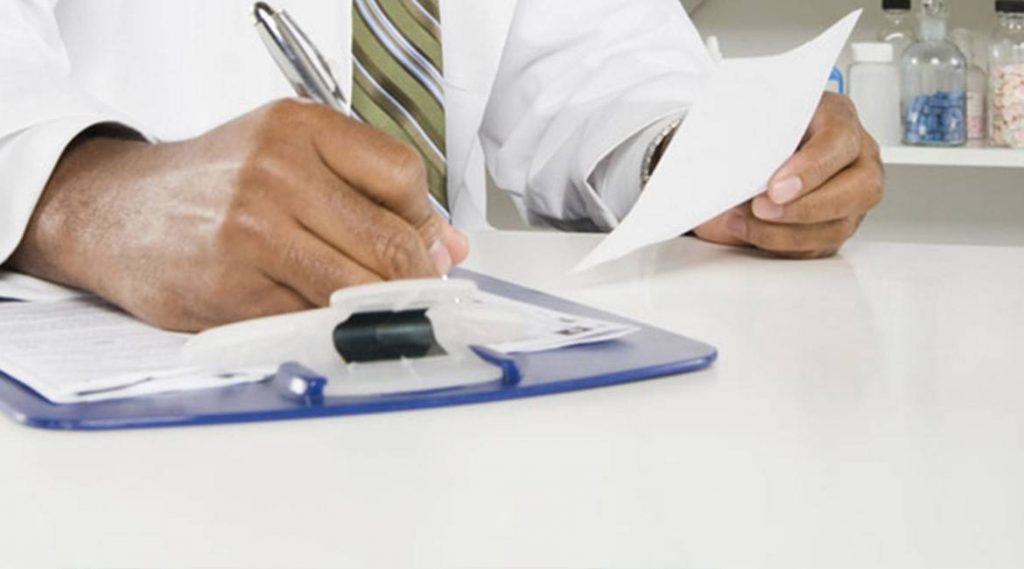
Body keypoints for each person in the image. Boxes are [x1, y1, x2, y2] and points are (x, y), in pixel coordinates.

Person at [0, 0, 883, 331]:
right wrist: (79, 194)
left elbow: (595, 54)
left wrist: (695, 154)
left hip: (442, 379)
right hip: (113, 394)